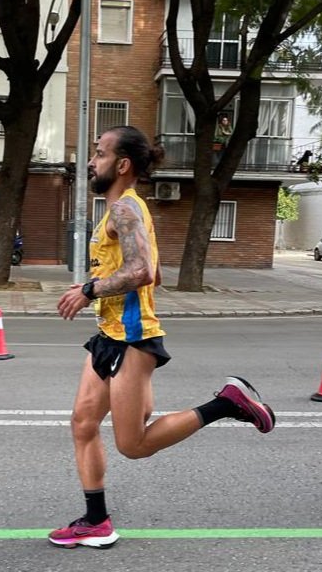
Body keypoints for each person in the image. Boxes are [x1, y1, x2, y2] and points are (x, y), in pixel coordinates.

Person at [52, 125, 276, 549]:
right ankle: (96, 521)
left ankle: (226, 402)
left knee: (133, 446)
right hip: (108, 335)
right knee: (83, 424)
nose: (90, 161)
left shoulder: (125, 210)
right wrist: (99, 287)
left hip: (133, 340)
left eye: (98, 153)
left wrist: (87, 290)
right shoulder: (115, 210)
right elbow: (136, 269)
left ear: (122, 165)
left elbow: (142, 271)